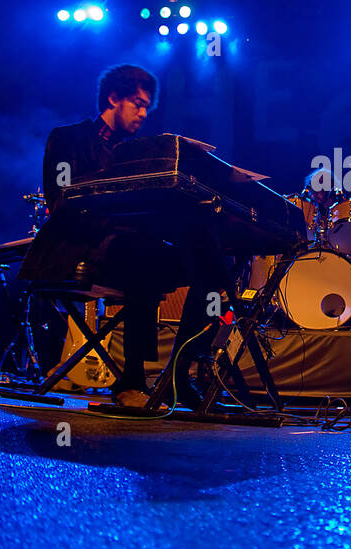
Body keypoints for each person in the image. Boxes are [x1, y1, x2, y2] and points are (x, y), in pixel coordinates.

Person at [38, 64, 229, 409]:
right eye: (138, 104)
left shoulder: (137, 152)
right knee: (144, 254)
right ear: (113, 98)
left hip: (128, 248)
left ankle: (177, 375)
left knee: (213, 268)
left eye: (146, 107)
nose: (143, 113)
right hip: (80, 245)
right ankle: (132, 381)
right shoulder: (68, 139)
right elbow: (61, 202)